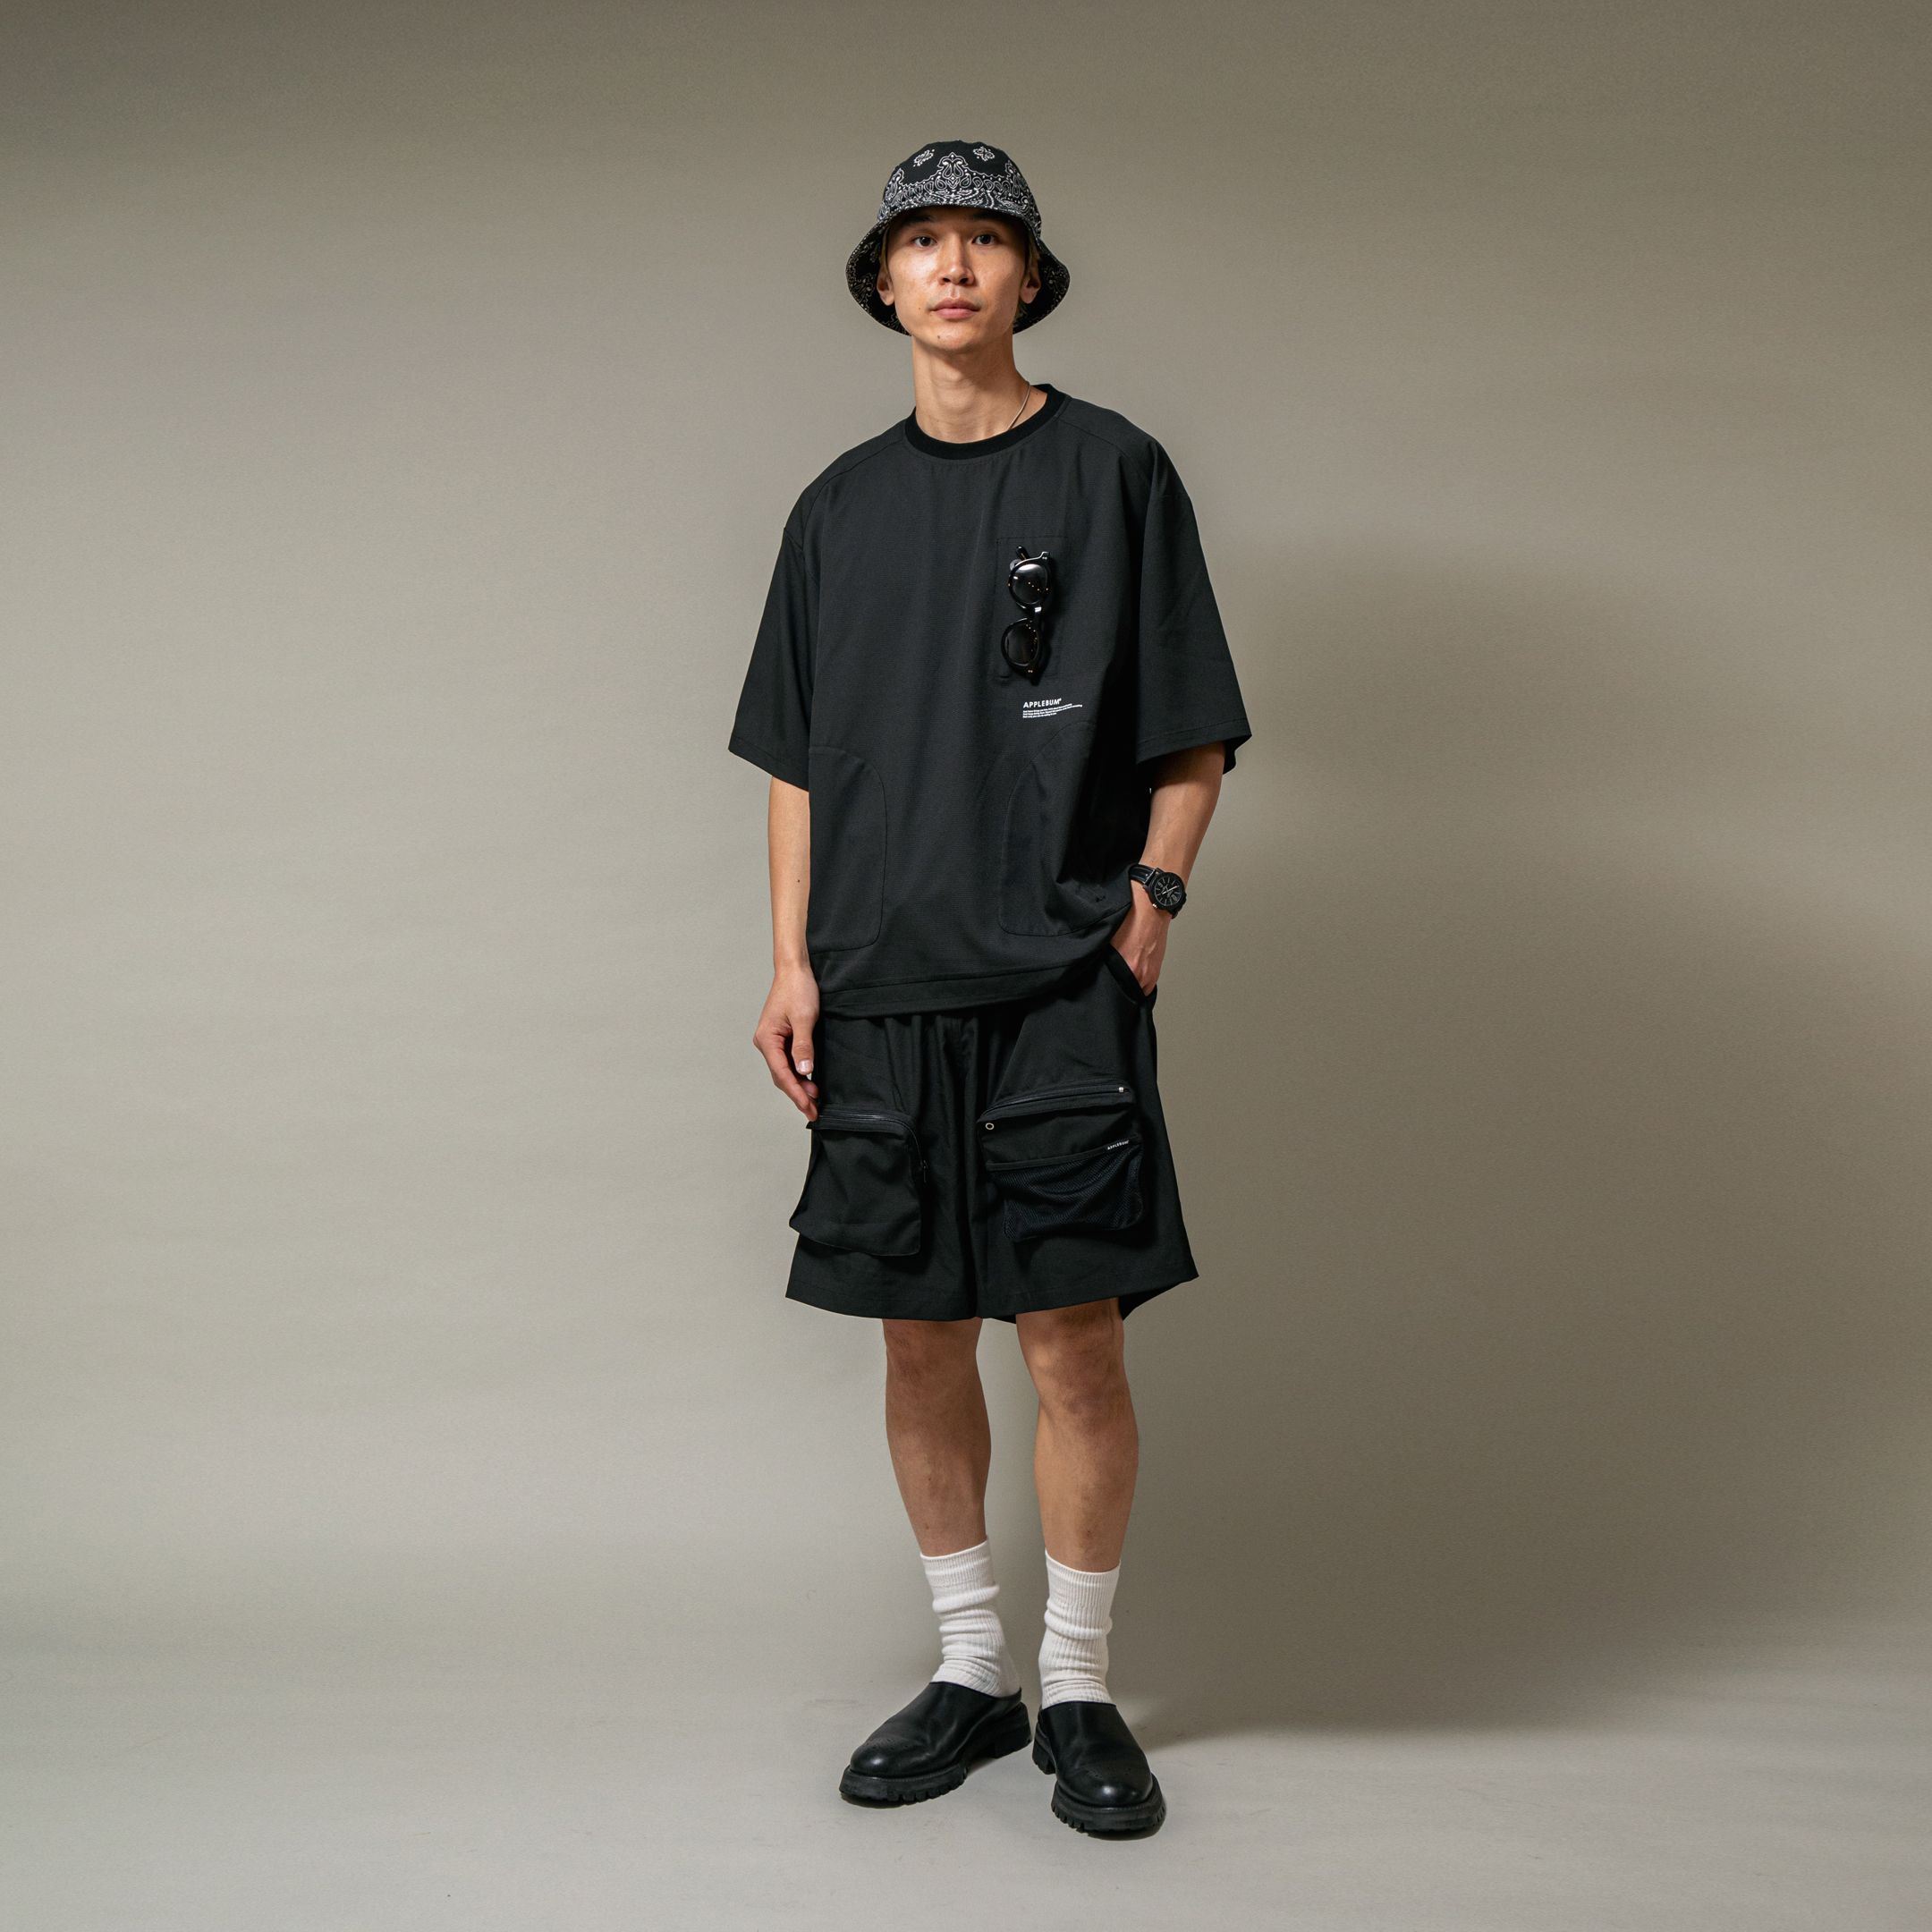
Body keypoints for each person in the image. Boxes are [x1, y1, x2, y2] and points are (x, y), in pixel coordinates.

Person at [726, 140, 1251, 1837]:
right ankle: (974, 1670)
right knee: (917, 1339)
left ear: (1030, 276)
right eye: (923, 242)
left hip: (1060, 979)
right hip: (880, 982)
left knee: (1073, 1343)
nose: (953, 267)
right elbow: (797, 761)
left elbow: (1191, 726)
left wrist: (1151, 904)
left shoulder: (1115, 473)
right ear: (883, 282)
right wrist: (793, 961)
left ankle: (1079, 1686)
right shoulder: (836, 509)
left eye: (984, 241)